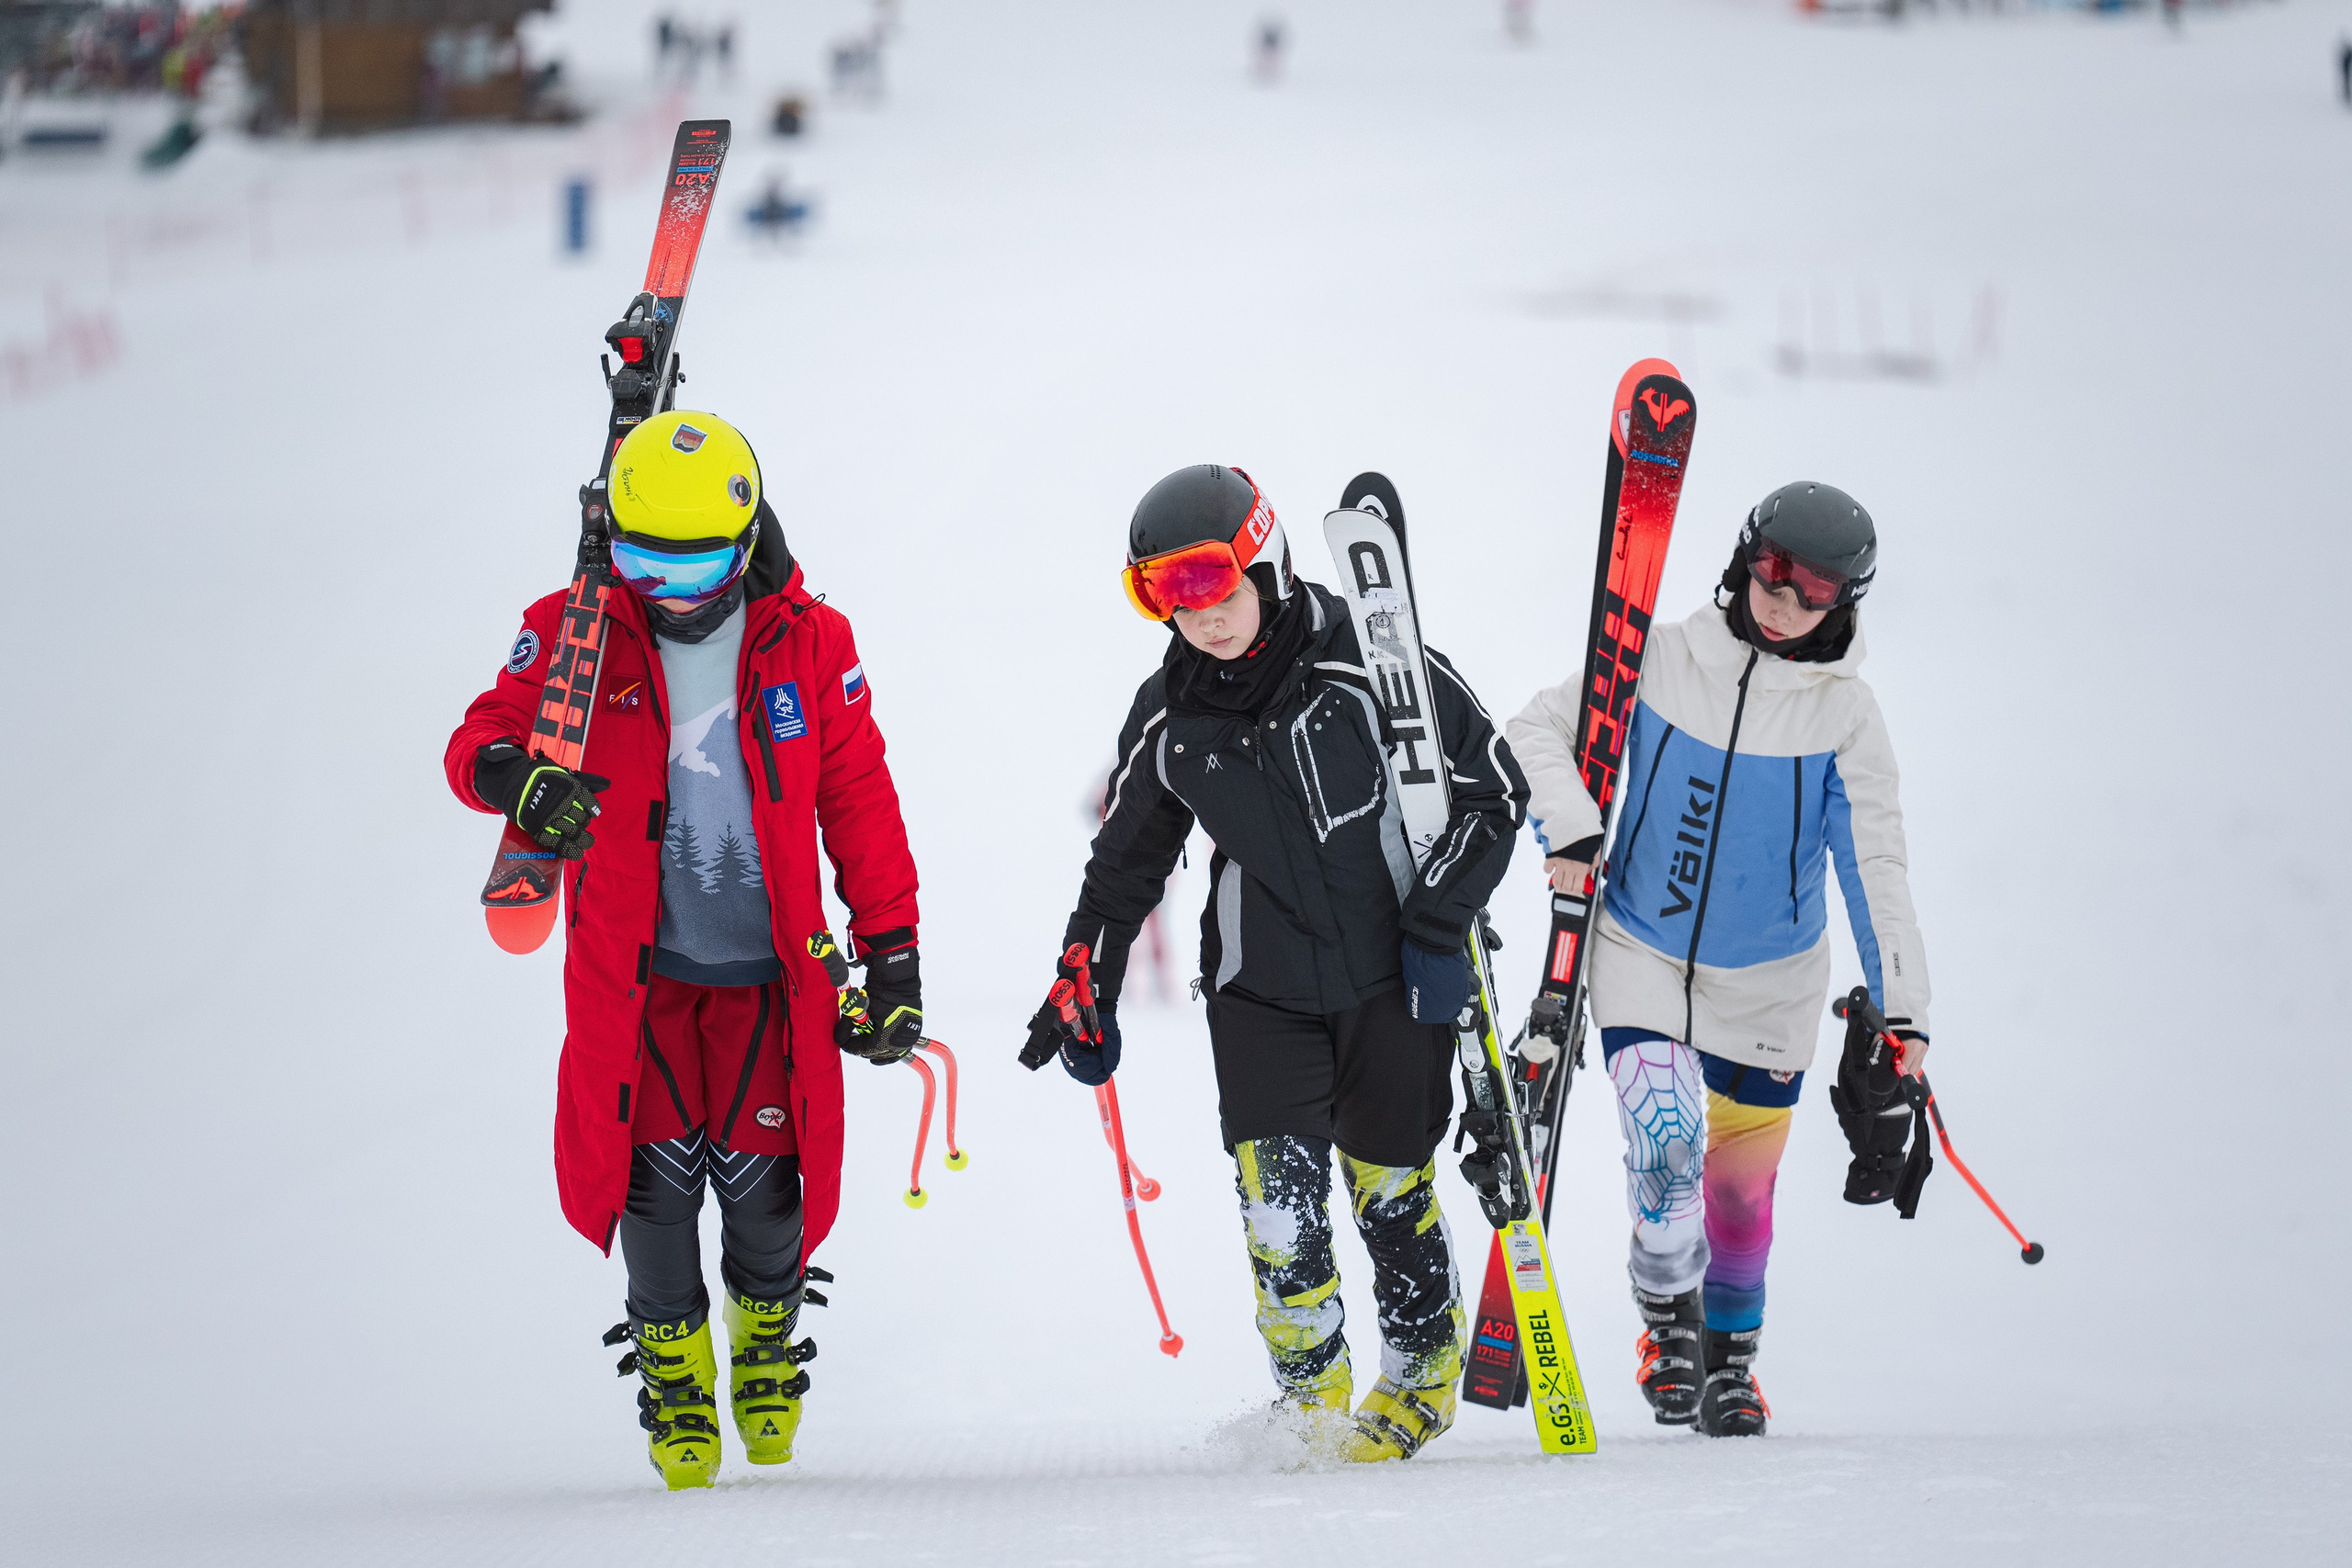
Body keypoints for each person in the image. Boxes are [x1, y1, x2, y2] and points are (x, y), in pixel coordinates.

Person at [444, 411, 922, 1489]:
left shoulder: (810, 641)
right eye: (639, 559)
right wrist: (515, 781)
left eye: (692, 561)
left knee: (767, 1195)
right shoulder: (574, 633)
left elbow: (857, 797)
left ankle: (763, 1349)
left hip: (770, 981)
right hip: (640, 979)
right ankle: (672, 1372)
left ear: (745, 538)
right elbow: (479, 735)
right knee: (649, 1192)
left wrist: (891, 949)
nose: (663, 586)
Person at [1024, 465, 1529, 1461]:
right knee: (1277, 1202)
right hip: (1261, 985)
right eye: (1162, 592)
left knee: (1390, 1188)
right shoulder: (1169, 711)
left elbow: (1492, 793)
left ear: (1267, 559)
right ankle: (1310, 1395)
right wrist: (1084, 969)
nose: (1195, 613)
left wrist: (1437, 923)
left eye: (1211, 581)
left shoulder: (1375, 668)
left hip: (1394, 974)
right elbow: (1127, 860)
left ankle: (1421, 1377)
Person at [1504, 482, 1931, 1438]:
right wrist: (1571, 831)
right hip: (1638, 955)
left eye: (1812, 589)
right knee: (1665, 1151)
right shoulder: (1658, 657)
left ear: (1843, 602)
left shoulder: (1846, 719)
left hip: (1771, 986)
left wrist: (1903, 1009)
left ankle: (1732, 1364)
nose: (1783, 599)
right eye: (1772, 571)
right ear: (1745, 560)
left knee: (1738, 1200)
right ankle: (1666, 1320)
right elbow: (1531, 730)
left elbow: (1874, 863)